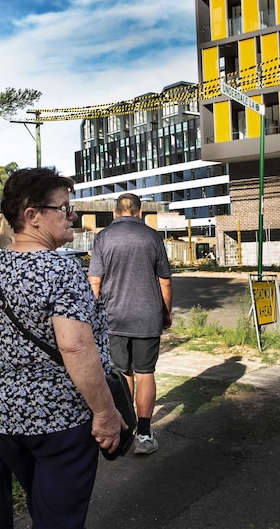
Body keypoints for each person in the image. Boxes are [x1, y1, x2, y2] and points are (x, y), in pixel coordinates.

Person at [0, 167, 125, 529]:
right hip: (61, 418)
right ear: (31, 216)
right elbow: (75, 348)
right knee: (59, 518)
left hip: (3, 417)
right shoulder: (62, 270)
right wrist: (104, 412)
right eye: (64, 208)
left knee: (42, 505)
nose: (73, 217)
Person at [88, 193, 172, 455]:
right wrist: (166, 313)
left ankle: (126, 428)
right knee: (146, 372)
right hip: (147, 317)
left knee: (122, 372)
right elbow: (165, 281)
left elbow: (94, 283)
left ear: (115, 212)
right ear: (140, 211)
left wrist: (92, 318)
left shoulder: (103, 238)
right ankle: (145, 436)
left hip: (114, 318)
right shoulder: (152, 237)